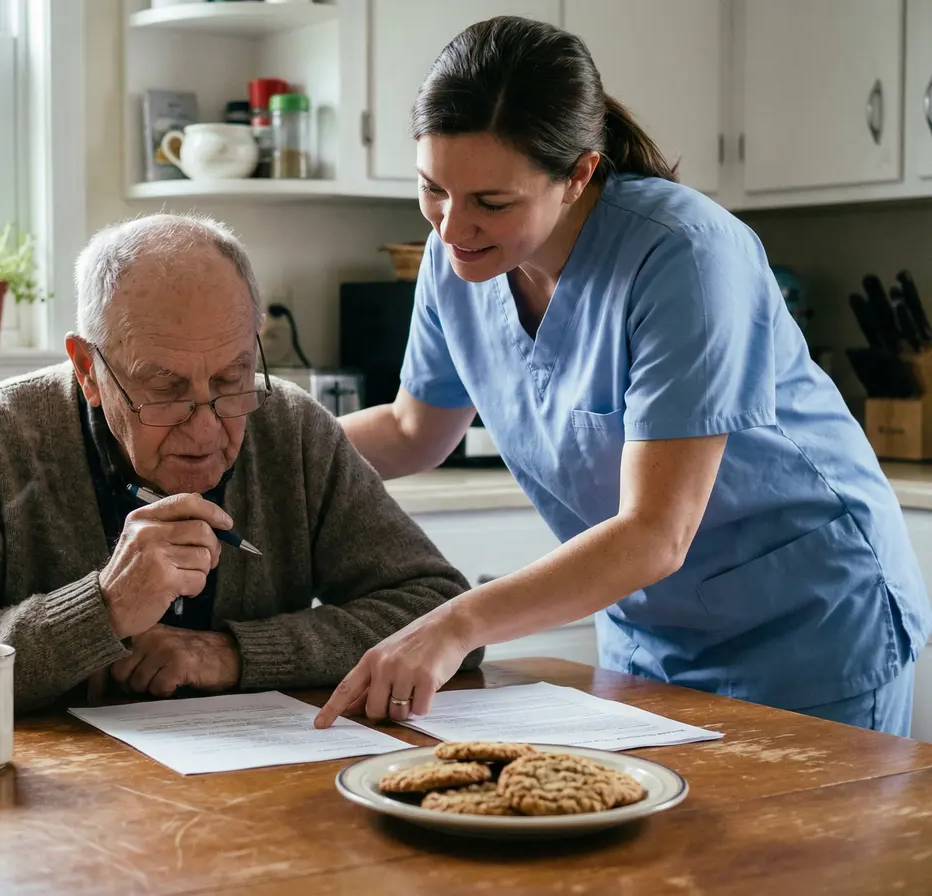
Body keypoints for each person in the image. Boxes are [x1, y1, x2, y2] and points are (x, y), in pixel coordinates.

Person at [315, 16, 931, 736]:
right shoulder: (457, 262)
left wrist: (451, 626)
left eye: (491, 201)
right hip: (648, 629)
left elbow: (654, 533)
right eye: (433, 190)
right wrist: (269, 445)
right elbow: (413, 429)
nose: (451, 228)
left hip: (808, 623)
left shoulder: (686, 255)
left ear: (578, 174)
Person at [0, 213, 479, 724]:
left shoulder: (291, 429)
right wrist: (100, 609)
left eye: (231, 380)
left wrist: (228, 654)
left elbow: (448, 618)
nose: (204, 426)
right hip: (35, 829)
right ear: (88, 370)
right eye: (163, 389)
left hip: (252, 810)